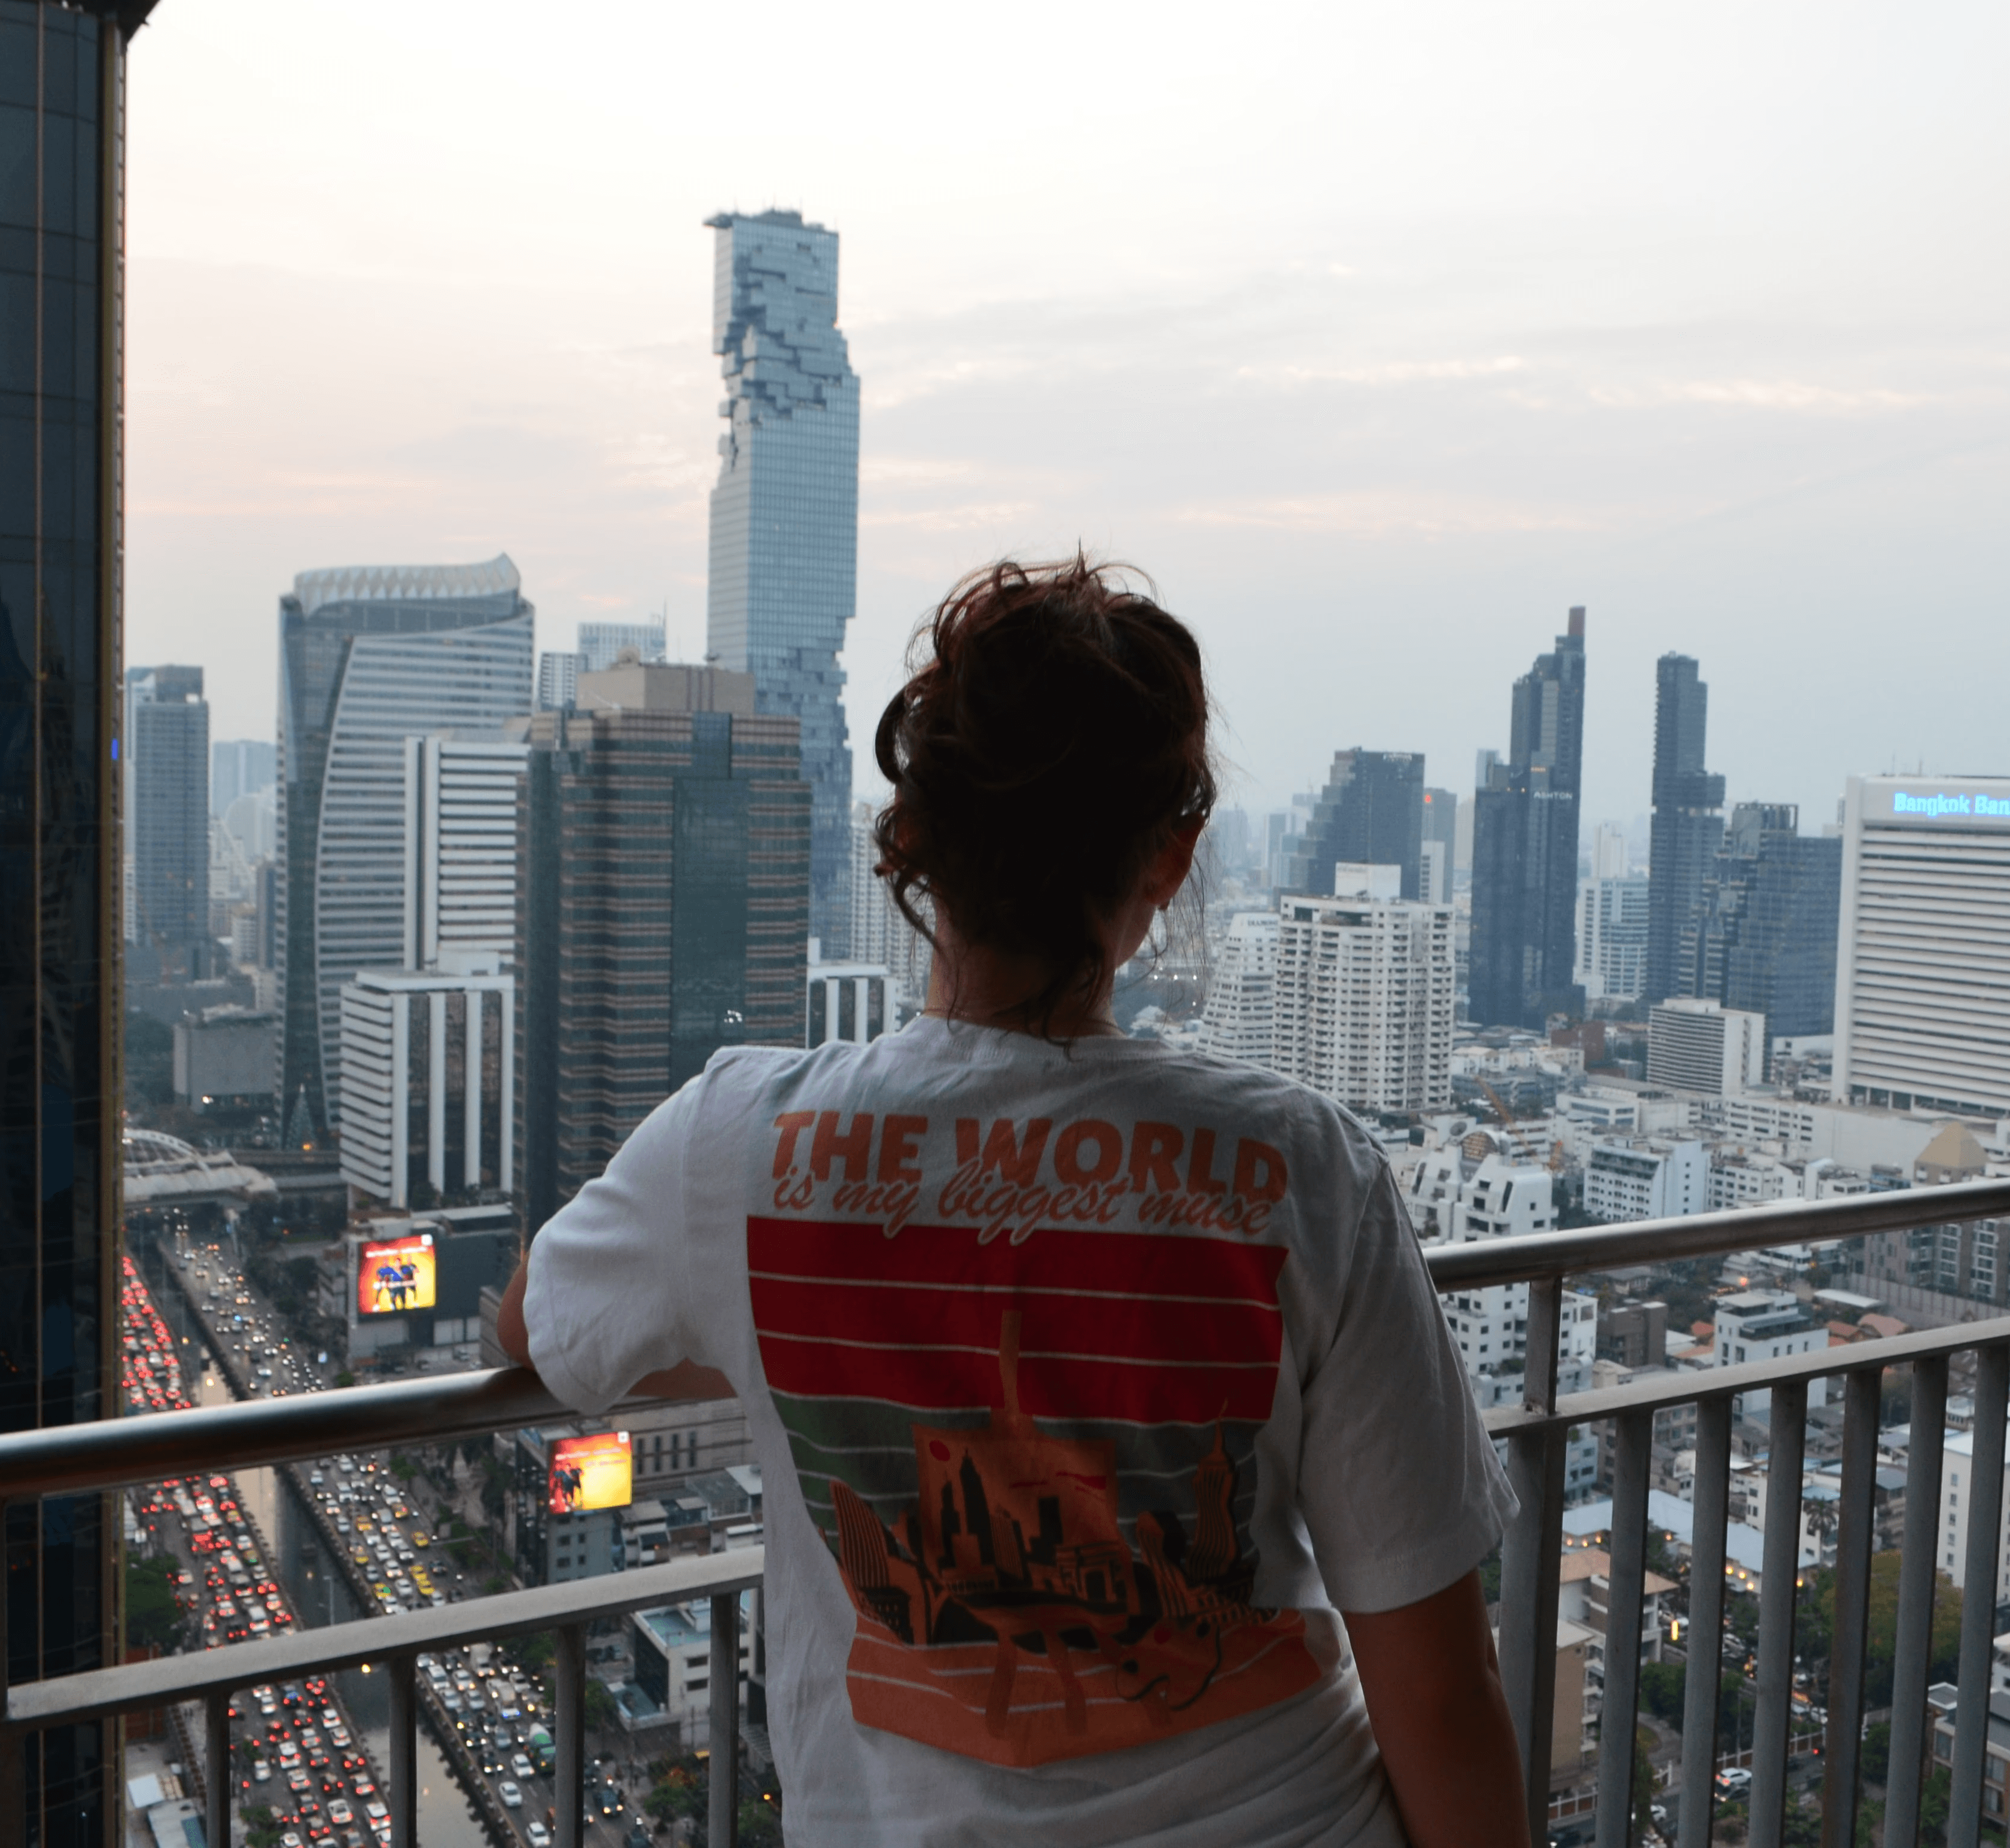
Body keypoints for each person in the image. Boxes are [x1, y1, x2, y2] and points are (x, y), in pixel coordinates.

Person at [500, 558, 1528, 1846]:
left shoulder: (734, 1147)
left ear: (913, 835)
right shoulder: (1302, 1170)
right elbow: (1438, 1687)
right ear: (1171, 854)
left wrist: (758, 1341)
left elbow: (535, 1330)